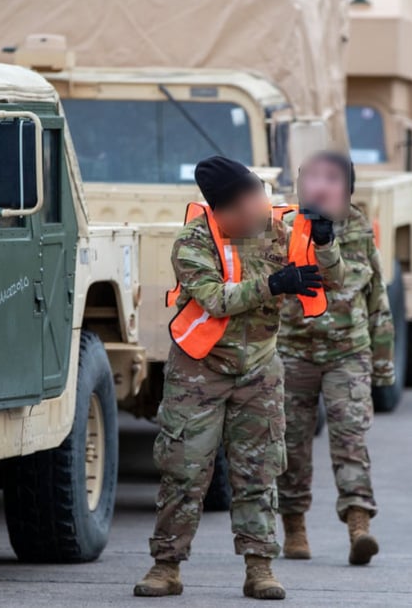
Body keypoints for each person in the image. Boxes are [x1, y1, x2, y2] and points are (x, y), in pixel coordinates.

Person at [134, 155, 341, 600]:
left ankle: (260, 567)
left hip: (260, 370)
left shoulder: (282, 229)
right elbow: (214, 300)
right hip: (199, 371)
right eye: (252, 204)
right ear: (225, 211)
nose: (262, 209)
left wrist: (325, 244)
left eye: (262, 197)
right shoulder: (192, 242)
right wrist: (274, 284)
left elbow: (333, 280)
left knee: (258, 473)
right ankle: (165, 566)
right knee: (184, 472)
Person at [276, 151, 394, 566]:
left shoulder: (360, 231)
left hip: (348, 353)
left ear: (347, 188)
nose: (320, 186)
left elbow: (376, 296)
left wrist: (382, 362)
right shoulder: (284, 229)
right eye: (311, 178)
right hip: (293, 351)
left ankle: (359, 526)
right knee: (291, 443)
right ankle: (294, 528)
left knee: (350, 440)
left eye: (331, 179)